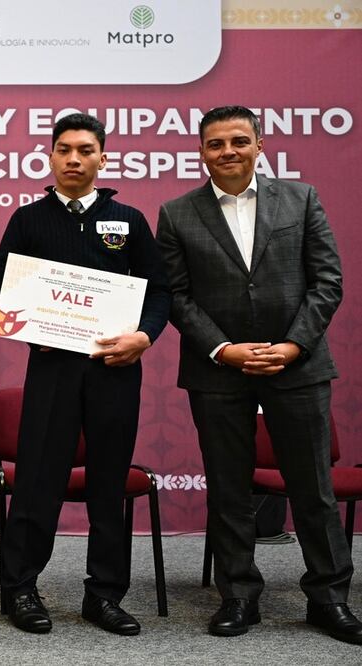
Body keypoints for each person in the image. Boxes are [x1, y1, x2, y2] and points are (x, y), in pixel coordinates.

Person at [156, 105, 361, 644]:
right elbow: (175, 296)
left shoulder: (301, 198)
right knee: (228, 488)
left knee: (313, 487)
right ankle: (239, 595)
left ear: (259, 145)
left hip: (298, 366)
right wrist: (224, 349)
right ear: (201, 151)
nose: (228, 152)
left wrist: (293, 346)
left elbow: (327, 282)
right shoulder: (176, 213)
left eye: (239, 141)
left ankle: (329, 598)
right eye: (216, 143)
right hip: (219, 371)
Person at [0, 113, 170, 636]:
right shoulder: (28, 219)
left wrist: (144, 336)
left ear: (102, 158)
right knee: (37, 483)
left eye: (85, 150)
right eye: (64, 149)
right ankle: (21, 589)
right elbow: (2, 282)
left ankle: (104, 595)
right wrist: (29, 319)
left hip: (115, 369)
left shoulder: (129, 220)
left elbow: (159, 290)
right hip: (52, 370)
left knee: (109, 485)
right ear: (50, 156)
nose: (74, 159)